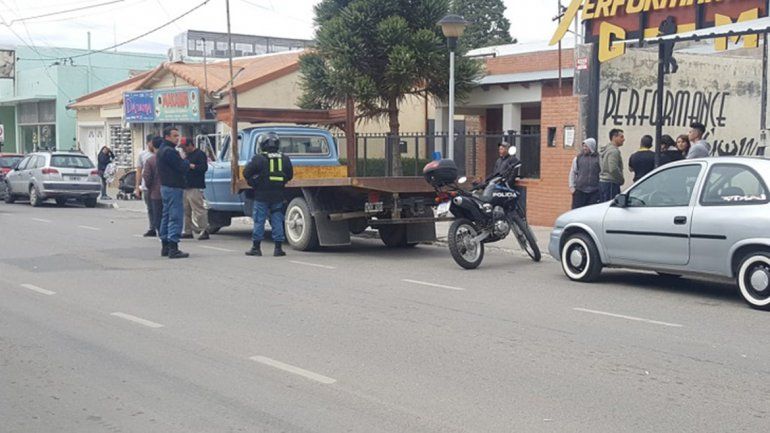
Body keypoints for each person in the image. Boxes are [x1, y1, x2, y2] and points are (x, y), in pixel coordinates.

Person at [243, 132, 293, 257]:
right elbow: (290, 175)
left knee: (259, 220)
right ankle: (278, 248)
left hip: (261, 195)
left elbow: (246, 173)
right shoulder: (285, 158)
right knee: (277, 219)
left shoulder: (259, 158)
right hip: (278, 195)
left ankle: (256, 248)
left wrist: (254, 181)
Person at [157, 126, 194, 259]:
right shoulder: (169, 151)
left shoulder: (162, 150)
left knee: (166, 216)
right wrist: (187, 163)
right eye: (174, 136)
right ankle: (173, 247)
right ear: (167, 137)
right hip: (173, 187)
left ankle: (165, 245)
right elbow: (180, 166)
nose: (177, 138)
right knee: (175, 216)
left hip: (166, 186)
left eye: (178, 135)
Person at [181, 138, 210, 240]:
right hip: (185, 185)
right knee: (186, 210)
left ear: (190, 145)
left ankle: (204, 229)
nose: (183, 149)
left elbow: (203, 168)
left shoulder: (199, 154)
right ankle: (187, 230)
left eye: (184, 147)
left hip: (195, 185)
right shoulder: (186, 156)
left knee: (198, 209)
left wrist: (191, 166)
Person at [568, 138, 601, 209]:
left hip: (594, 192)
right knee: (576, 213)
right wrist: (572, 187)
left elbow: (601, 173)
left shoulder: (599, 158)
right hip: (580, 191)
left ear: (591, 147)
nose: (584, 148)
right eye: (583, 146)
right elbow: (573, 172)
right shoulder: (578, 158)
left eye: (586, 146)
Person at [141, 137, 164, 237]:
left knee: (157, 212)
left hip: (155, 191)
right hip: (169, 189)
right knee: (160, 212)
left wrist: (149, 187)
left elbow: (146, 176)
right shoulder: (172, 156)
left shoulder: (151, 160)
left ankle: (161, 233)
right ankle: (156, 229)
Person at [136, 134, 157, 237]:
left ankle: (160, 227)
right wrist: (137, 187)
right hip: (146, 186)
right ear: (148, 143)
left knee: (159, 207)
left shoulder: (160, 154)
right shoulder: (142, 155)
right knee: (150, 208)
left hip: (157, 186)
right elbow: (139, 171)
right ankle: (152, 227)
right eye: (152, 143)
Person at [599, 128, 625, 202]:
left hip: (604, 183)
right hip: (611, 184)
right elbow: (613, 168)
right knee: (611, 206)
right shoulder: (613, 151)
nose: (623, 139)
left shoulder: (606, 149)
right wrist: (621, 179)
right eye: (621, 137)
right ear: (614, 137)